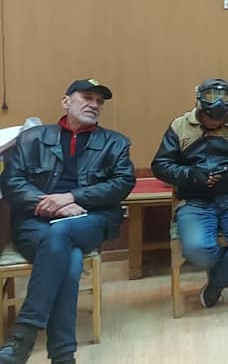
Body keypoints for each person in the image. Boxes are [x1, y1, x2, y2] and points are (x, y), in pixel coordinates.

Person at [0, 80, 134, 364]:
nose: (94, 105)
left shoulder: (115, 142)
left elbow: (122, 183)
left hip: (91, 219)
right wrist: (50, 206)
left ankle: (23, 336)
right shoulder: (33, 138)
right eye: (87, 97)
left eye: (99, 101)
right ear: (66, 102)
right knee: (70, 263)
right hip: (35, 220)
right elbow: (11, 182)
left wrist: (73, 197)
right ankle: (63, 355)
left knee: (61, 235)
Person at [151, 78, 228, 309]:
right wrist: (191, 174)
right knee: (195, 248)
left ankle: (216, 283)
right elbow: (160, 166)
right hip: (195, 200)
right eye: (210, 120)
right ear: (199, 106)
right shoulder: (179, 126)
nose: (216, 124)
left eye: (221, 121)